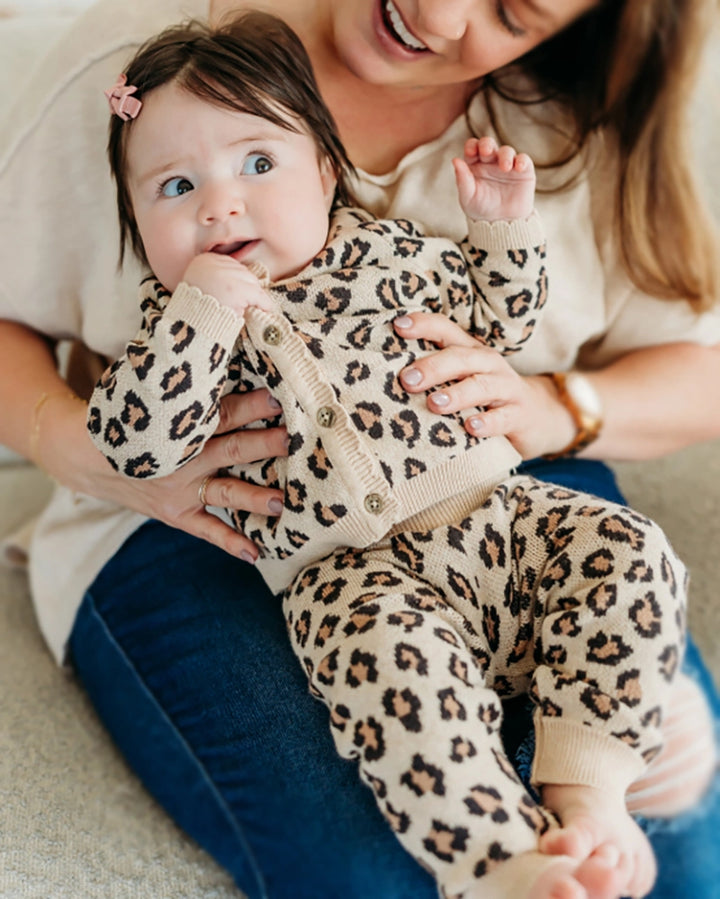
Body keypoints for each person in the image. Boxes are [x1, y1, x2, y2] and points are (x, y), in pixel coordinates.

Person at [0, 1, 718, 897]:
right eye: (175, 190)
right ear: (136, 224)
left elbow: (503, 312)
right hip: (335, 568)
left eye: (509, 13)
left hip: (492, 502)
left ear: (328, 171)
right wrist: (176, 338)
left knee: (631, 573)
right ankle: (501, 861)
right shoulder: (174, 318)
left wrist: (508, 246)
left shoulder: (393, 253)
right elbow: (131, 435)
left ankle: (592, 794)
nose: (222, 202)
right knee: (393, 700)